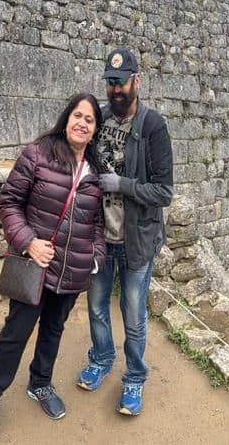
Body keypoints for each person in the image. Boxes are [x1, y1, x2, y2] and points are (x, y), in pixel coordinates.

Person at [0, 93, 108, 441]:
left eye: (89, 119)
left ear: (95, 130)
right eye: (77, 115)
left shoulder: (96, 172)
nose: (82, 123)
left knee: (53, 330)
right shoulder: (39, 154)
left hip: (73, 269)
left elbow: (97, 223)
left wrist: (95, 256)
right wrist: (28, 243)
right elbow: (9, 200)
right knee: (16, 332)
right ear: (66, 119)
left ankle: (41, 383)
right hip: (35, 266)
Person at [76, 49, 175, 416]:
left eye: (121, 82)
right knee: (96, 307)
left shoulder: (152, 127)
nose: (115, 89)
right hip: (101, 238)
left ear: (137, 81)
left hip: (136, 240)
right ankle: (101, 358)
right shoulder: (99, 120)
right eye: (110, 82)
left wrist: (123, 184)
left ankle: (134, 377)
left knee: (133, 313)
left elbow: (164, 192)